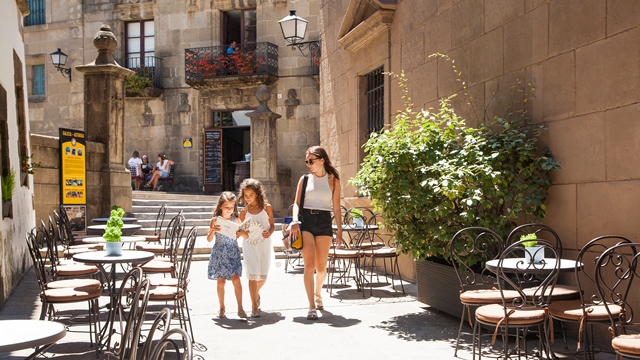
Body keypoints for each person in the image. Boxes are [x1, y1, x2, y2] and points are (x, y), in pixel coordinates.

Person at [289, 146, 343, 320]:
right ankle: (311, 305)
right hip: (306, 221)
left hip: (324, 222)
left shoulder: (333, 180)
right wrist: (295, 221)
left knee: (321, 268)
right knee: (309, 265)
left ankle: (318, 292)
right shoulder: (304, 179)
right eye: (307, 161)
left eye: (311, 161)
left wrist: (340, 231)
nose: (308, 164)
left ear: (322, 160)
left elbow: (336, 207)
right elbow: (297, 203)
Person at [238, 178, 275, 317]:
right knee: (252, 275)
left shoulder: (267, 207)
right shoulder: (243, 212)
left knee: (262, 277)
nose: (247, 198)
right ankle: (254, 306)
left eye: (251, 195)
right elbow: (242, 231)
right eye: (245, 195)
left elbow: (272, 225)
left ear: (258, 194)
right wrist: (241, 232)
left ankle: (256, 295)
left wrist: (269, 232)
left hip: (264, 244)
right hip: (249, 245)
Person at [207, 191, 247, 319]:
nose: (229, 210)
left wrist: (241, 233)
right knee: (221, 282)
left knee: (236, 279)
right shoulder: (215, 220)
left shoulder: (236, 219)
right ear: (220, 207)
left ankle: (240, 308)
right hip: (220, 253)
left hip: (232, 253)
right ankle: (222, 307)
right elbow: (209, 239)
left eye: (232, 207)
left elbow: (246, 235)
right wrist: (213, 230)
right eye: (227, 207)